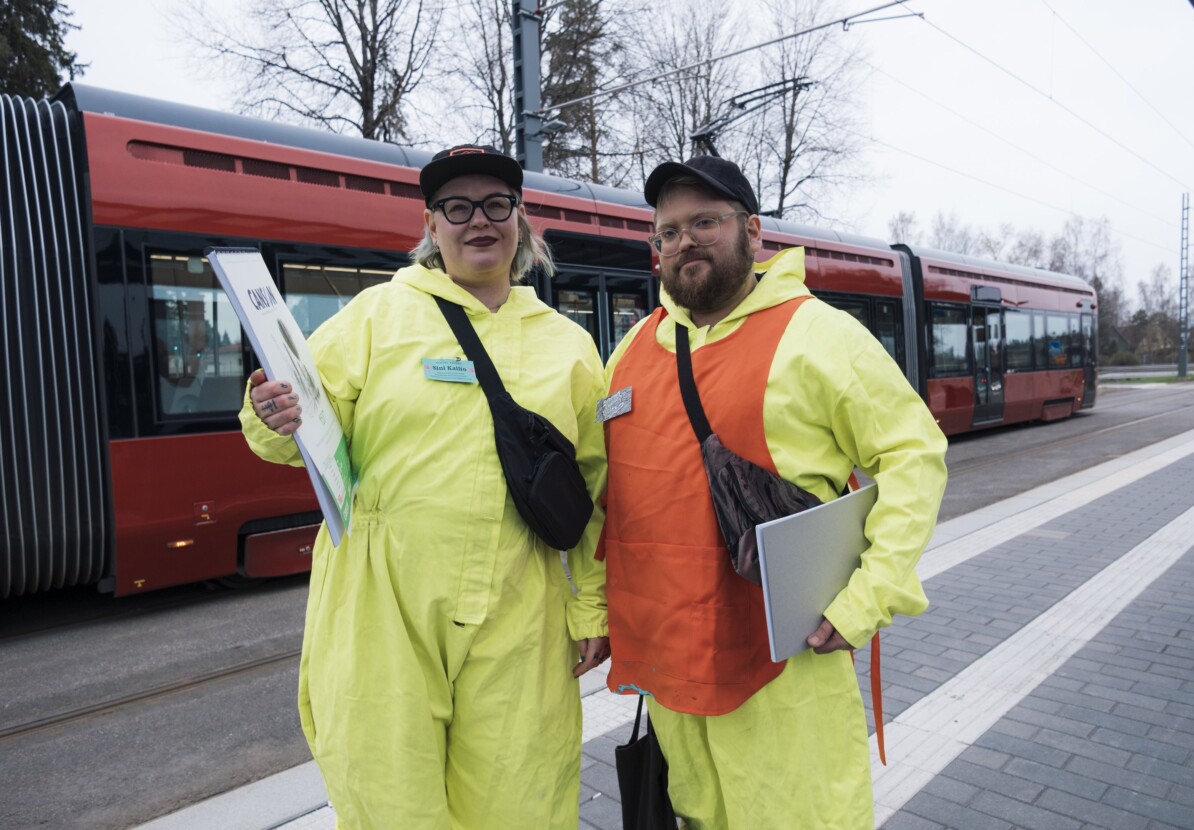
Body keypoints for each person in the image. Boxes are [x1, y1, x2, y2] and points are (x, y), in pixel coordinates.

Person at [240, 145, 610, 829]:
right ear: (432, 226)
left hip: (519, 609)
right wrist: (272, 416)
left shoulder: (569, 346)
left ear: (520, 221)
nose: (479, 222)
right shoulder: (376, 317)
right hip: (383, 603)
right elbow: (293, 428)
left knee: (521, 795)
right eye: (458, 207)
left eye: (497, 205)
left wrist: (591, 608)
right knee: (391, 798)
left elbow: (595, 490)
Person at [601, 156, 948, 829]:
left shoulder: (819, 335)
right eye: (668, 231)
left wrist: (866, 600)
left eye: (705, 221)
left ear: (753, 231)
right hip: (671, 676)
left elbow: (915, 457)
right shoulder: (632, 350)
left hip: (783, 671)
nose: (684, 242)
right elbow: (603, 496)